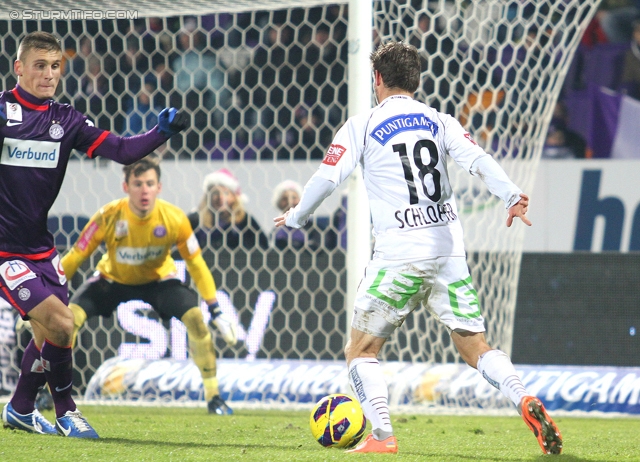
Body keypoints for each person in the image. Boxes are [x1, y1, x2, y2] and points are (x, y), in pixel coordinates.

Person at [274, 42, 562, 455]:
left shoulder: (363, 125)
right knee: (473, 344)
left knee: (361, 350)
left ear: (377, 79)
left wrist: (298, 216)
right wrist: (512, 196)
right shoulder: (440, 121)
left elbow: (326, 178)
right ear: (417, 81)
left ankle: (381, 437)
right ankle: (523, 398)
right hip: (448, 251)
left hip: (399, 254)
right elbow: (479, 159)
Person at [0, 31, 188, 438]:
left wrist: (161, 132)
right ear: (18, 68)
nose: (49, 75)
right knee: (64, 325)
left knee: (48, 333)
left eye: (55, 67)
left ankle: (19, 407)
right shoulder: (1, 113)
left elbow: (121, 150)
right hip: (4, 252)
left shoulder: (65, 119)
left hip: (41, 248)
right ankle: (67, 411)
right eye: (39, 66)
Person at [60, 157, 236, 416]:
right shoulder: (107, 216)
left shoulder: (174, 218)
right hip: (112, 280)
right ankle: (48, 392)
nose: (144, 190)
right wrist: (44, 298)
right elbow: (75, 257)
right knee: (66, 321)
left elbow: (196, 264)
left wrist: (216, 309)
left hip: (158, 282)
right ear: (126, 186)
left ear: (159, 187)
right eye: (138, 183)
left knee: (197, 320)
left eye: (150, 184)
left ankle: (214, 398)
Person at [189, 169, 268, 251]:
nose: (220, 197)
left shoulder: (245, 221)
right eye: (215, 193)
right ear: (208, 196)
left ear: (234, 197)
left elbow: (262, 249)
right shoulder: (195, 220)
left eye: (226, 193)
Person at [271, 180, 322, 250]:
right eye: (285, 199)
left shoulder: (313, 228)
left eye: (294, 198)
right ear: (279, 203)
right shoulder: (277, 231)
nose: (290, 202)